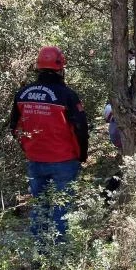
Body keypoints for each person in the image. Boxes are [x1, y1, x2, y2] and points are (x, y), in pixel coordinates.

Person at [9, 46, 89, 245]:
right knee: (62, 208)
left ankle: (40, 252)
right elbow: (80, 129)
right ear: (61, 68)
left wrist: (29, 148)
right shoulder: (67, 96)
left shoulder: (23, 93)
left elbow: (15, 128)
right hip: (64, 160)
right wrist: (82, 155)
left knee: (40, 207)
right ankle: (59, 253)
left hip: (36, 160)